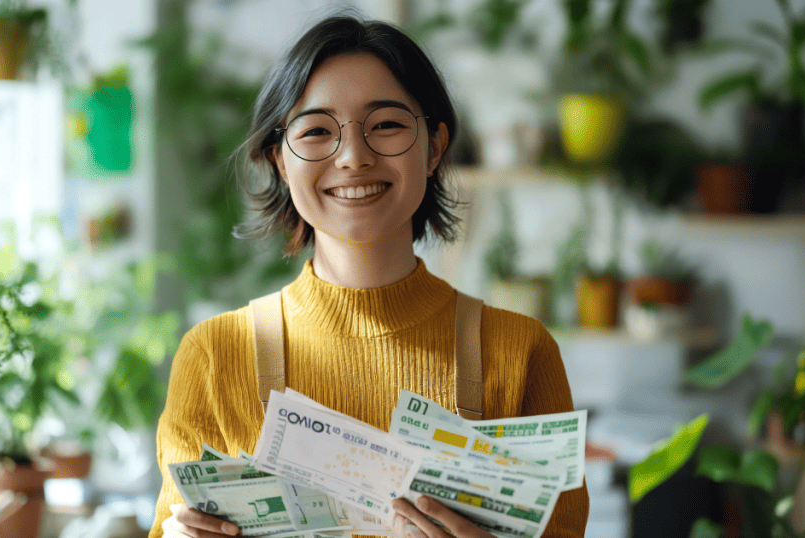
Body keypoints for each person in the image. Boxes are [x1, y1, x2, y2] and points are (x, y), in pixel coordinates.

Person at [150, 14, 589, 538]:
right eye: (315, 131)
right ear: (280, 161)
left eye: (385, 125)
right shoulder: (216, 358)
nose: (354, 157)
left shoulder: (519, 353)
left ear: (434, 146)